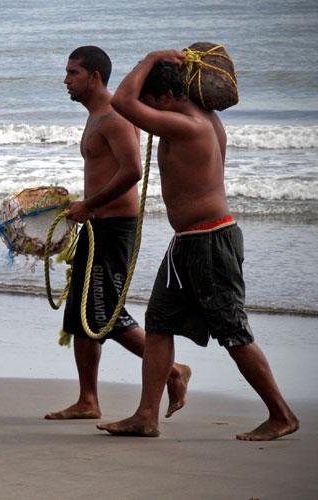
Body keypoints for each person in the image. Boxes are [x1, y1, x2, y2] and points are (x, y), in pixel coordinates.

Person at [97, 49, 300, 441]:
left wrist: (151, 57)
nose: (147, 110)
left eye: (152, 102)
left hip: (210, 241)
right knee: (158, 323)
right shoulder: (196, 118)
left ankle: (282, 414)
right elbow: (133, 101)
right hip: (187, 243)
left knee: (233, 331)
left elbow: (121, 101)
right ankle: (146, 416)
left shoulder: (189, 125)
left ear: (167, 97)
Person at [44, 46, 191, 421]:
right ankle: (88, 400)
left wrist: (90, 205)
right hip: (96, 224)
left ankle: (174, 371)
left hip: (114, 228)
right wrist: (79, 205)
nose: (66, 80)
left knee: (103, 312)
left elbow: (132, 171)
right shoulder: (95, 116)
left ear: (94, 77)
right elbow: (104, 173)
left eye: (73, 73)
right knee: (80, 315)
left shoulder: (114, 117)